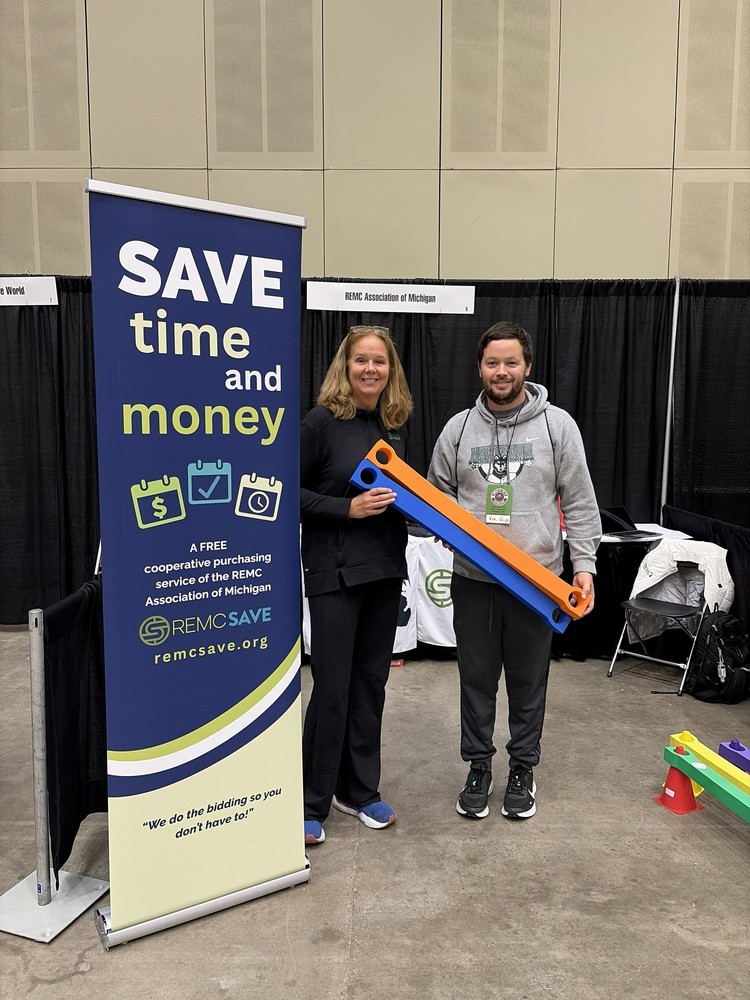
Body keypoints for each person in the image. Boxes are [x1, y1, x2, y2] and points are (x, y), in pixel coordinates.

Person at [427, 321, 600, 821]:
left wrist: (584, 565)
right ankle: (478, 766)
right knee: (476, 681)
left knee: (528, 682)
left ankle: (523, 767)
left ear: (527, 366)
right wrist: (448, 529)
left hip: (536, 583)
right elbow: (437, 497)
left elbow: (580, 502)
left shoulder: (557, 426)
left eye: (510, 362)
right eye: (492, 363)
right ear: (479, 368)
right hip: (474, 581)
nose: (501, 372)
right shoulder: (458, 429)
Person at [300, 325, 413, 845]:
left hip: (384, 571)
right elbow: (283, 492)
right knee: (332, 689)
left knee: (370, 686)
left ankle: (360, 792)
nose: (371, 369)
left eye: (380, 361)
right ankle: (311, 801)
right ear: (345, 366)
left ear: (391, 371)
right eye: (361, 360)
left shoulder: (394, 426)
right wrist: (347, 509)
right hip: (335, 574)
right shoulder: (320, 423)